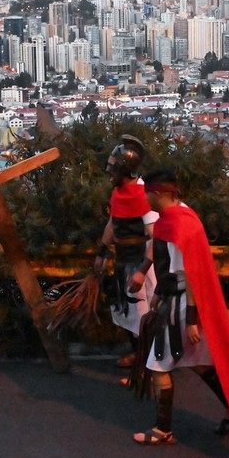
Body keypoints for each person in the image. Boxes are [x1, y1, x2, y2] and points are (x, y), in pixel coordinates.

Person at [130, 168, 229, 445]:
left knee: (159, 367)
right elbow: (171, 267)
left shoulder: (178, 225)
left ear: (160, 193)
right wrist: (158, 294)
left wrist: (190, 320)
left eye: (148, 195)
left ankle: (163, 430)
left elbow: (188, 275)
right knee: (199, 364)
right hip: (173, 301)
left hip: (179, 308)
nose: (146, 201)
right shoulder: (178, 217)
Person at [93, 135, 158, 370]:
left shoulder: (144, 194)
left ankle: (149, 364)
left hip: (142, 262)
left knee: (144, 314)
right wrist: (102, 252)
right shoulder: (119, 192)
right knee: (129, 313)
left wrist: (143, 271)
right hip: (123, 258)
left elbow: (156, 236)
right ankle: (138, 354)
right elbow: (113, 222)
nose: (109, 173)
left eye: (113, 169)